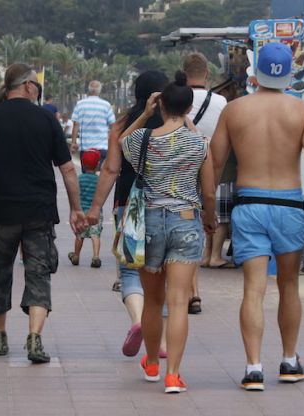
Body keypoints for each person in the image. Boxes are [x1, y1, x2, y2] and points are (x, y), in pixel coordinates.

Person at [211, 42, 304, 391]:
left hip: (249, 203)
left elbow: (216, 163)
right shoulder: (302, 110)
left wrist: (206, 205)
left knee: (253, 289)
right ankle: (290, 361)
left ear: (254, 73)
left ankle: (253, 368)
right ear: (289, 75)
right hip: (289, 205)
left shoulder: (234, 110)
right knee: (289, 285)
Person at [0, 63, 86, 364]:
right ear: (27, 86)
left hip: (1, 210)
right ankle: (35, 338)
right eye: (35, 85)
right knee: (38, 272)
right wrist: (75, 208)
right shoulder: (46, 119)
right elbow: (66, 168)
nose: (37, 89)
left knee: (0, 271)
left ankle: (0, 338)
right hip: (39, 211)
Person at [120, 71, 217, 394]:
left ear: (160, 105)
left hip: (150, 223)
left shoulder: (144, 140)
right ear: (189, 108)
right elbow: (209, 193)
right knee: (178, 302)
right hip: (185, 221)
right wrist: (211, 220)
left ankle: (151, 361)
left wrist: (146, 115)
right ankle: (173, 375)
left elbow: (122, 142)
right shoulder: (199, 145)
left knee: (152, 300)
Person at [86, 70, 170, 359]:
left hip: (128, 204)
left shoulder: (123, 126)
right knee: (163, 271)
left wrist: (95, 208)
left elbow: (110, 169)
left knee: (130, 269)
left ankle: (137, 321)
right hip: (166, 205)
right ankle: (160, 341)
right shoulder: (175, 124)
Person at [183, 52, 230, 316]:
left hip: (180, 172)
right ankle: (194, 288)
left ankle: (191, 290)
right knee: (200, 225)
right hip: (210, 169)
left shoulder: (174, 98)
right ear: (207, 74)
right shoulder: (221, 101)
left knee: (184, 229)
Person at [68, 149, 103, 268]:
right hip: (95, 212)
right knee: (95, 235)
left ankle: (76, 255)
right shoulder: (99, 180)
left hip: (82, 212)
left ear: (82, 164)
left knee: (80, 235)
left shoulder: (80, 179)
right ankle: (96, 256)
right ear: (98, 164)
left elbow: (75, 193)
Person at [70, 80, 115, 164]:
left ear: (89, 89)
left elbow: (76, 124)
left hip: (86, 148)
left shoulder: (80, 104)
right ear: (99, 90)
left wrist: (73, 143)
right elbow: (113, 126)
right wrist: (109, 141)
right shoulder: (106, 105)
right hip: (102, 147)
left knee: (86, 174)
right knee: (100, 174)